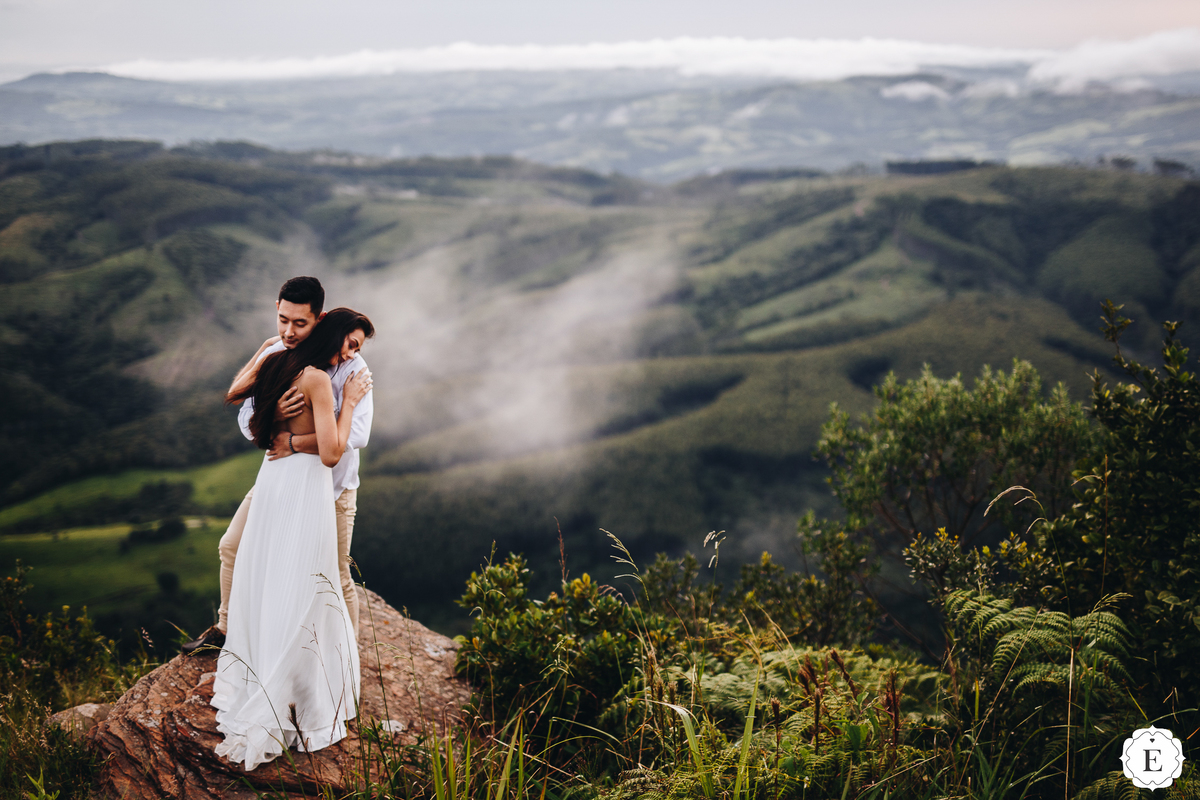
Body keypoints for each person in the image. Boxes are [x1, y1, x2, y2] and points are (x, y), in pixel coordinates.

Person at [211, 308, 374, 770]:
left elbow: (350, 439)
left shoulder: (348, 373)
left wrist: (289, 437)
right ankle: (260, 647)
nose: (352, 352)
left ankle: (338, 662)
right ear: (330, 333)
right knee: (281, 566)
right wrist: (285, 415)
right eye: (348, 342)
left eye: (358, 346)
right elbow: (261, 425)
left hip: (320, 487)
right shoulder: (300, 366)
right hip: (296, 484)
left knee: (319, 574)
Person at [183, 277, 374, 653]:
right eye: (283, 320)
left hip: (333, 488)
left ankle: (347, 660)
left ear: (318, 320)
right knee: (232, 547)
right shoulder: (275, 352)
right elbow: (244, 411)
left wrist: (293, 441)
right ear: (276, 310)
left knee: (335, 573)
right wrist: (271, 416)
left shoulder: (352, 368)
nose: (289, 331)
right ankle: (225, 629)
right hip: (280, 480)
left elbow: (357, 435)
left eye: (299, 323)